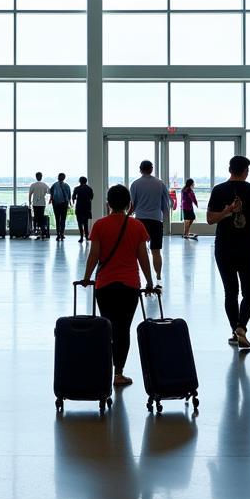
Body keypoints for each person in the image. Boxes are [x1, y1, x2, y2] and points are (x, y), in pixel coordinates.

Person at [80, 184, 155, 388]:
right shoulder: (137, 226)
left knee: (107, 327)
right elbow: (143, 258)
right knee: (123, 329)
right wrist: (149, 282)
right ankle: (118, 372)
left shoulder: (100, 225)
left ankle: (103, 369)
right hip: (129, 286)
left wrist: (86, 277)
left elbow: (94, 255)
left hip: (104, 286)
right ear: (129, 204)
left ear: (108, 203)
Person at [207, 155, 250, 350]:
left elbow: (210, 219)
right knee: (249, 292)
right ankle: (241, 327)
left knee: (230, 292)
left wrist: (226, 211)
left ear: (230, 170)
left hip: (224, 248)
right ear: (246, 171)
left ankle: (235, 331)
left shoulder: (219, 190)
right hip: (247, 248)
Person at [129, 160, 171, 284]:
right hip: (156, 220)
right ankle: (158, 275)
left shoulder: (135, 184)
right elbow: (166, 203)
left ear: (140, 169)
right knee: (156, 251)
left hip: (140, 221)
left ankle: (143, 276)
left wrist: (127, 215)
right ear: (151, 169)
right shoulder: (160, 183)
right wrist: (165, 218)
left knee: (138, 250)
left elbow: (133, 205)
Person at [50, 172, 72, 241]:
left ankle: (58, 234)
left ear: (58, 177)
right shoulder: (67, 186)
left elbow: (51, 194)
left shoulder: (54, 185)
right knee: (63, 219)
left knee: (57, 219)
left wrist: (52, 201)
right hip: (64, 204)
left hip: (56, 205)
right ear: (64, 178)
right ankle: (62, 234)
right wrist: (69, 204)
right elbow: (69, 196)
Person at [28, 171, 50, 238]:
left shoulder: (33, 185)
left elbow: (30, 194)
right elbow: (49, 192)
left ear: (36, 177)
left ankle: (35, 230)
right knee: (41, 216)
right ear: (41, 177)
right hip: (42, 203)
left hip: (35, 203)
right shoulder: (44, 185)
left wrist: (29, 202)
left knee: (36, 217)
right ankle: (42, 230)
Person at [72, 176, 94, 243]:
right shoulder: (89, 188)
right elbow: (91, 197)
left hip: (79, 207)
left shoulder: (77, 188)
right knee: (85, 223)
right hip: (87, 207)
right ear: (86, 181)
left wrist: (74, 200)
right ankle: (87, 236)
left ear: (80, 181)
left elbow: (73, 197)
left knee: (79, 223)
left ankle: (81, 237)